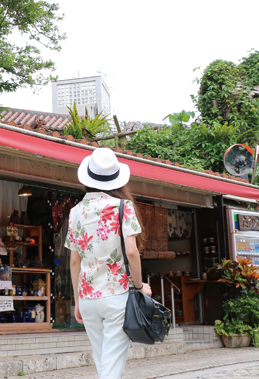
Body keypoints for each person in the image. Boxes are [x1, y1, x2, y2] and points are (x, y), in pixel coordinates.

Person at [66, 147, 151, 379]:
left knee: (103, 362)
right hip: (117, 295)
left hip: (88, 298)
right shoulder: (123, 207)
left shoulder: (75, 212)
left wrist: (77, 300)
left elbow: (74, 261)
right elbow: (131, 252)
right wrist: (139, 286)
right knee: (111, 367)